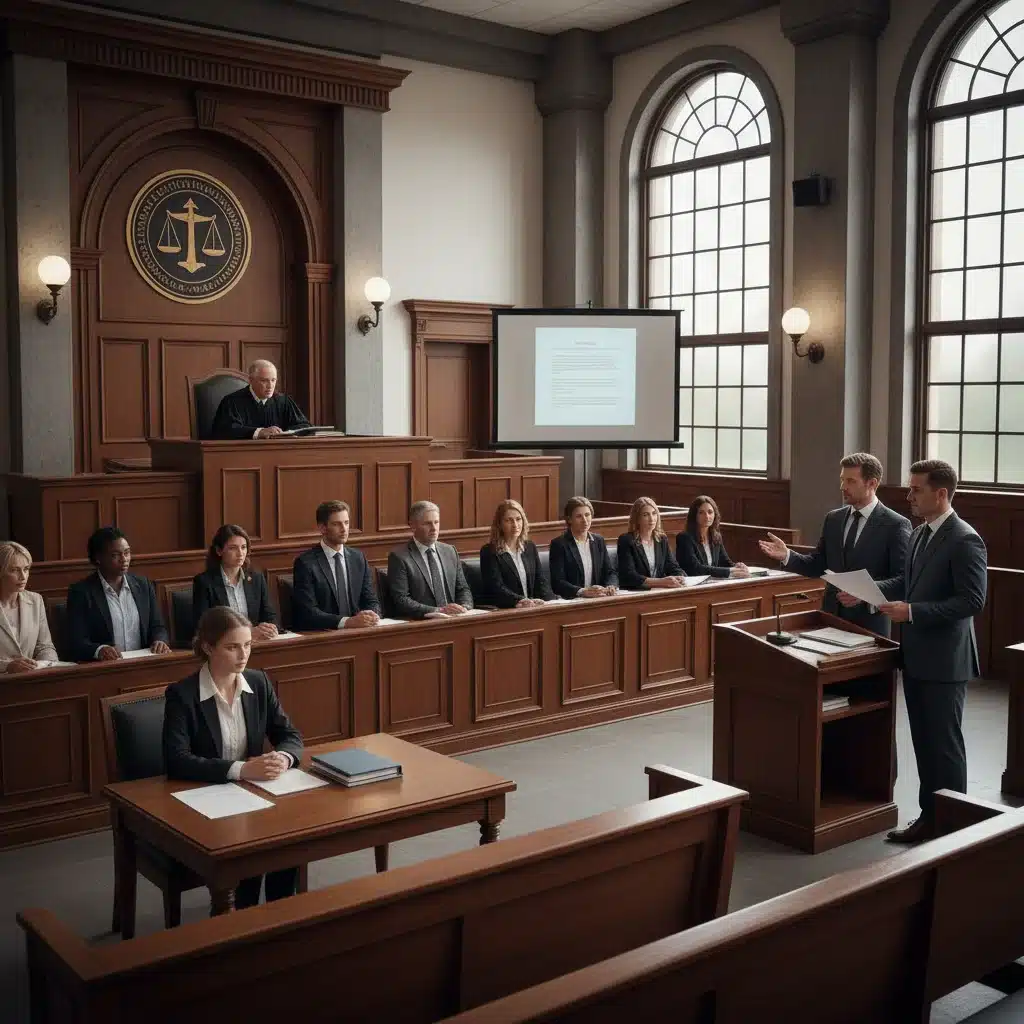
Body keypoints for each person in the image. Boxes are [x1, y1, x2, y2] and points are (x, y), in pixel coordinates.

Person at [162, 607, 303, 908]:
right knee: (250, 848)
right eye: (233, 647)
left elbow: (290, 735)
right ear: (208, 647)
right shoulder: (182, 695)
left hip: (253, 795)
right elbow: (177, 759)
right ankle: (240, 919)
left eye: (248, 645)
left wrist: (284, 757)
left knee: (289, 840)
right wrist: (242, 770)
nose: (243, 655)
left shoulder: (259, 682)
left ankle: (280, 917)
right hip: (204, 798)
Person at [878, 460, 987, 845]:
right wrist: (871, 591)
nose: (909, 496)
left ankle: (955, 827)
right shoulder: (921, 533)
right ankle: (931, 818)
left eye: (916, 489)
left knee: (944, 747)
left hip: (945, 661)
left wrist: (912, 612)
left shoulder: (964, 538)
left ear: (941, 493)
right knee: (925, 743)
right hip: (917, 656)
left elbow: (972, 601)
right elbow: (909, 583)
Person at [757, 452, 911, 636]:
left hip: (870, 625)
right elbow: (818, 565)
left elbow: (902, 579)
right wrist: (788, 556)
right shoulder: (834, 519)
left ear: (872, 483)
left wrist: (865, 593)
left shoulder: (895, 525)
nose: (842, 487)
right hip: (830, 619)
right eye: (842, 480)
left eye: (850, 481)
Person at [65, 527, 170, 662]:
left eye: (127, 553)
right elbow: (76, 642)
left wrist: (160, 640)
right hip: (105, 668)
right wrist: (99, 650)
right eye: (115, 555)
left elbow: (158, 626)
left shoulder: (143, 585)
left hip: (143, 663)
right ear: (98, 558)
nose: (124, 559)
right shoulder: (81, 592)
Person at [292, 500, 380, 630]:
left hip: (360, 631)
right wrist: (347, 622)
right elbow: (308, 612)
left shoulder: (358, 558)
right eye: (336, 524)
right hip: (324, 634)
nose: (344, 529)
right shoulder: (306, 563)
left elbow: (371, 600)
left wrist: (372, 614)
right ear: (322, 528)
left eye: (346, 523)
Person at [387, 501, 473, 619]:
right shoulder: (399, 557)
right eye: (427, 523)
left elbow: (463, 589)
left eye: (436, 522)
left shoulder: (450, 551)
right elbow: (402, 600)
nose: (434, 528)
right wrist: (439, 610)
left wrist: (464, 607)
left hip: (455, 620)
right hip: (422, 623)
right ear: (413, 526)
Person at [192, 525, 278, 641]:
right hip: (224, 647)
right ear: (219, 551)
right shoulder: (204, 582)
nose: (240, 553)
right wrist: (248, 633)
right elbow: (204, 627)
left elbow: (270, 616)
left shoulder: (256, 578)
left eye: (243, 547)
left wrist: (270, 628)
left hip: (257, 644)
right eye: (233, 548)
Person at [480, 499, 555, 608]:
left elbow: (541, 581)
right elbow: (496, 587)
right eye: (509, 520)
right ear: (499, 524)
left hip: (532, 608)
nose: (515, 525)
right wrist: (521, 601)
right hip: (508, 610)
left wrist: (551, 601)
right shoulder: (489, 551)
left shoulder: (529, 547)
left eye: (518, 519)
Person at [210, 359, 311, 440]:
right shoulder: (232, 401)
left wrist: (284, 434)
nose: (270, 386)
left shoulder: (283, 401)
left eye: (273, 380)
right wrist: (259, 432)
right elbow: (224, 431)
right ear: (251, 380)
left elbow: (304, 425)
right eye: (264, 380)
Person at [0, 541, 59, 672]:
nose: (23, 577)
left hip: (29, 680)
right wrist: (7, 666)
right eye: (14, 570)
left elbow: (45, 647)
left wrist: (48, 665)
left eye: (26, 569)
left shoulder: (35, 600)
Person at [548, 496, 618, 600]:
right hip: (573, 601)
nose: (585, 520)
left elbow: (609, 572)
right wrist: (583, 592)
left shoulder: (599, 541)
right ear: (569, 519)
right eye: (579, 516)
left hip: (599, 598)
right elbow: (558, 582)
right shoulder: (559, 544)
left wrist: (610, 585)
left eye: (587, 515)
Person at [617, 497, 685, 591]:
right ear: (637, 518)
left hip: (659, 592)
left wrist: (680, 576)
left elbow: (673, 566)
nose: (651, 519)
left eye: (654, 513)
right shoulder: (626, 540)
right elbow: (630, 576)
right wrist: (661, 582)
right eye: (646, 515)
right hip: (636, 593)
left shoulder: (661, 539)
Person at [676, 496, 750, 580]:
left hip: (712, 582)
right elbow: (696, 569)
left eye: (710, 512)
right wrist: (730, 571)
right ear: (694, 515)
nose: (707, 516)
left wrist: (737, 566)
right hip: (694, 585)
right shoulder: (684, 538)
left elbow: (724, 562)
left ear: (715, 514)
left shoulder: (716, 536)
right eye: (701, 512)